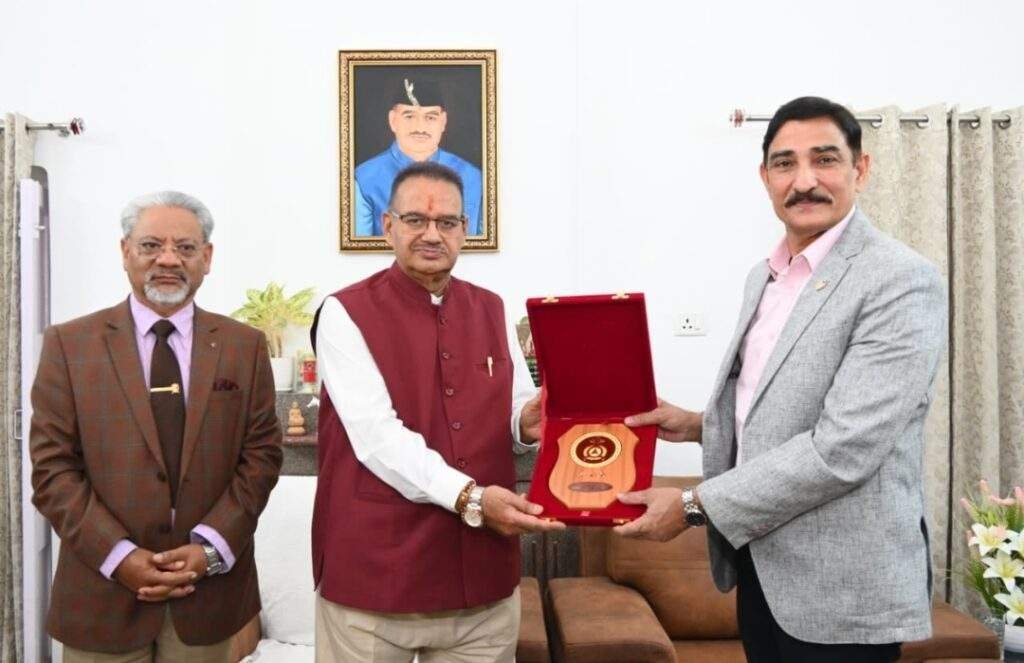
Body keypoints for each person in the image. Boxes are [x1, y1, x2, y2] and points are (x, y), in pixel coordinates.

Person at [615, 97, 947, 662]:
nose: (804, 181)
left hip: (844, 592)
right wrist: (698, 424)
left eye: (825, 159)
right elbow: (776, 405)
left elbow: (843, 448)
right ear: (765, 177)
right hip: (763, 570)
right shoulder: (764, 277)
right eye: (785, 163)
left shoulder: (900, 279)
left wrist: (694, 505)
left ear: (861, 169)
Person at [312, 161, 562, 662]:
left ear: (464, 229)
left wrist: (525, 422)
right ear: (388, 226)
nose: (432, 234)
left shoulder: (492, 307)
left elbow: (511, 405)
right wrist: (472, 498)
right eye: (415, 220)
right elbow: (377, 437)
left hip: (482, 580)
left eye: (446, 222)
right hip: (376, 579)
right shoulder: (344, 312)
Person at [30, 191, 283, 661]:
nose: (168, 259)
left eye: (185, 247)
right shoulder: (69, 344)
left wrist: (210, 549)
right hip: (99, 596)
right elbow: (52, 470)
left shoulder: (243, 346)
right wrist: (119, 556)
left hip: (206, 600)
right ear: (125, 251)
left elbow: (262, 458)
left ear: (207, 257)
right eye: (151, 245)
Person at [354, 77, 484, 236]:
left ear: (443, 122)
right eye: (409, 116)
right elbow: (359, 248)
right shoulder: (364, 180)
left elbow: (483, 246)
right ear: (393, 120)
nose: (420, 128)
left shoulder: (474, 178)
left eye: (430, 117)